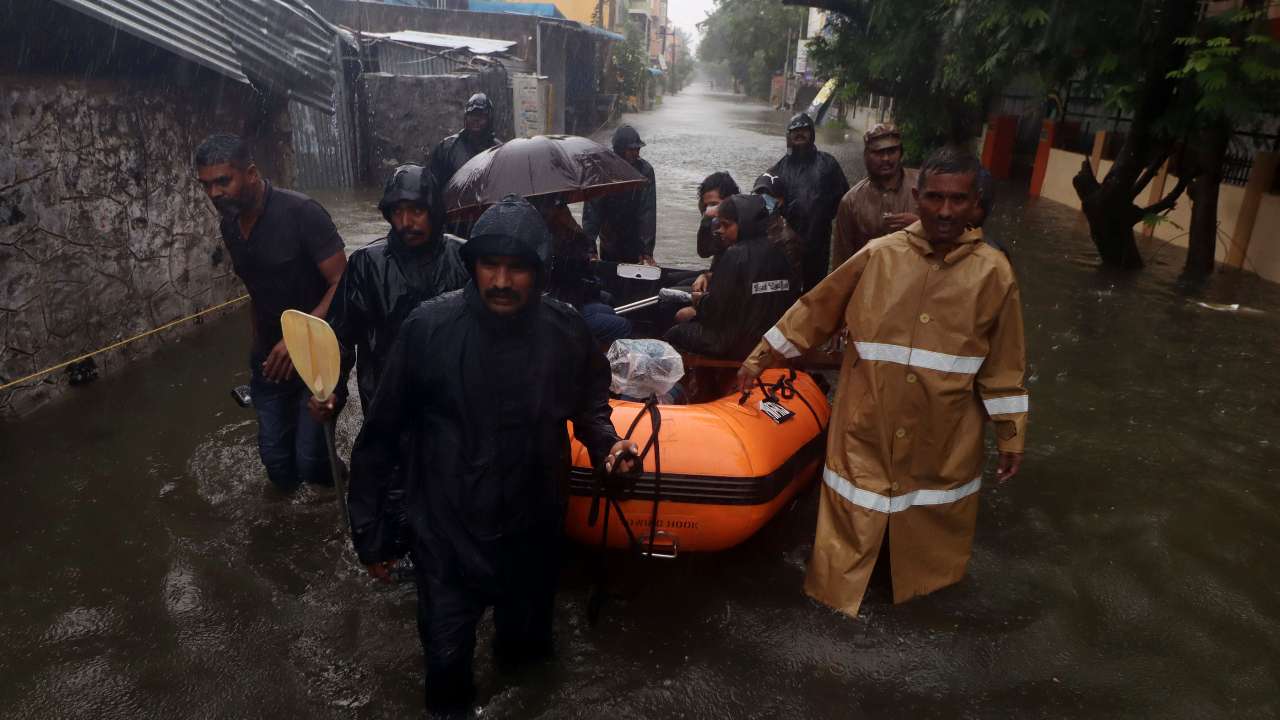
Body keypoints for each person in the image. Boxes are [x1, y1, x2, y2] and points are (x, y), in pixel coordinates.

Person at [348, 195, 640, 715]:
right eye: (490, 265)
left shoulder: (566, 330)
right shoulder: (427, 330)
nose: (501, 281)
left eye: (517, 268)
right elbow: (380, 435)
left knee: (527, 670)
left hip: (532, 534)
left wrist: (609, 446)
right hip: (446, 539)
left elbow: (590, 406)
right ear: (472, 266)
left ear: (541, 271)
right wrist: (373, 536)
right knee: (445, 680)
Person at [736, 147, 1028, 618]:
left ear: (976, 203)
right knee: (851, 523)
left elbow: (1006, 364)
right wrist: (758, 360)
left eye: (958, 200)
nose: (946, 211)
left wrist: (1011, 433)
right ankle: (834, 614)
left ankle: (921, 600)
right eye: (935, 198)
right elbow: (815, 311)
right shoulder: (879, 255)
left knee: (930, 538)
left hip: (944, 432)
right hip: (865, 423)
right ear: (918, 196)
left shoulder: (994, 273)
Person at [195, 133, 347, 493]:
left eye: (222, 181)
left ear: (250, 173)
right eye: (206, 185)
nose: (214, 193)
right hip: (270, 359)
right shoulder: (230, 224)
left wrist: (297, 341)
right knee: (278, 466)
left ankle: (341, 482)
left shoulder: (302, 213)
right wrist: (258, 346)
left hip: (318, 352)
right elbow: (256, 289)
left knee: (311, 463)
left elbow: (344, 281)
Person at [315, 164, 468, 415]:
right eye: (397, 212)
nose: (406, 222)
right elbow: (339, 337)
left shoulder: (463, 257)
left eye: (417, 210)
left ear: (434, 210)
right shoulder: (366, 264)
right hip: (385, 402)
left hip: (451, 403)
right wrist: (332, 390)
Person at [664, 194, 798, 361]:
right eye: (719, 224)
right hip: (769, 340)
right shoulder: (780, 250)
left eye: (726, 225)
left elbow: (715, 310)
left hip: (733, 343)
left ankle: (691, 382)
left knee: (675, 333)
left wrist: (699, 301)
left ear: (744, 225)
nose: (720, 230)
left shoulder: (735, 255)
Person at [766, 112, 849, 291]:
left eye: (804, 130)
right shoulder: (778, 169)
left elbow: (845, 201)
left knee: (815, 291)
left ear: (812, 133)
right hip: (787, 245)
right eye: (795, 131)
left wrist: (822, 215)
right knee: (787, 291)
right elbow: (767, 207)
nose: (799, 134)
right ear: (788, 136)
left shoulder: (828, 164)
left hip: (818, 243)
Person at [535, 195, 632, 347]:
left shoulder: (549, 239)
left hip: (564, 303)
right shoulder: (555, 246)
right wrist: (578, 237)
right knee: (622, 325)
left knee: (608, 305)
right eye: (561, 208)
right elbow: (575, 282)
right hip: (559, 312)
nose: (566, 211)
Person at [831, 123, 919, 268]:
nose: (885, 158)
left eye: (891, 151)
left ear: (901, 153)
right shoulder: (851, 202)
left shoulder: (924, 187)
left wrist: (922, 226)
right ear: (866, 155)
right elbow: (842, 262)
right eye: (878, 152)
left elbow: (959, 236)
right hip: (870, 284)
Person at [583, 125, 657, 264]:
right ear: (619, 149)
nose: (636, 153)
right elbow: (592, 212)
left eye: (638, 149)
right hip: (609, 239)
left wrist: (646, 251)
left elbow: (647, 212)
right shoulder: (602, 169)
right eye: (631, 150)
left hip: (634, 240)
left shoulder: (645, 171)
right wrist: (590, 250)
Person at [427, 93, 500, 190]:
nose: (476, 120)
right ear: (465, 117)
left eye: (481, 116)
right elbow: (433, 184)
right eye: (472, 115)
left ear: (489, 119)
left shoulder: (498, 150)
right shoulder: (447, 148)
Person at [752, 172, 804, 285]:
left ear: (780, 201)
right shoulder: (747, 224)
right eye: (759, 192)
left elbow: (792, 279)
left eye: (769, 195)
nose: (763, 197)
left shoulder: (788, 238)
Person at [692, 172, 740, 294]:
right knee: (672, 279)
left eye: (714, 204)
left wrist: (707, 277)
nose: (709, 210)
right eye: (706, 205)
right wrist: (705, 223)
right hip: (716, 274)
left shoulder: (738, 225)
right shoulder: (712, 222)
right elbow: (704, 252)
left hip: (728, 285)